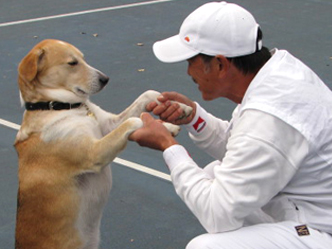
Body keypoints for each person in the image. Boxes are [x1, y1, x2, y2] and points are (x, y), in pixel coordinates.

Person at [129, 1, 332, 248]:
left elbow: (217, 213)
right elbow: (243, 144)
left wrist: (167, 145)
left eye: (190, 61)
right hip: (305, 207)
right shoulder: (274, 75)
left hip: (320, 229)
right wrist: (195, 118)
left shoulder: (270, 114)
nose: (188, 72)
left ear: (220, 64)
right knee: (213, 175)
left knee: (206, 246)